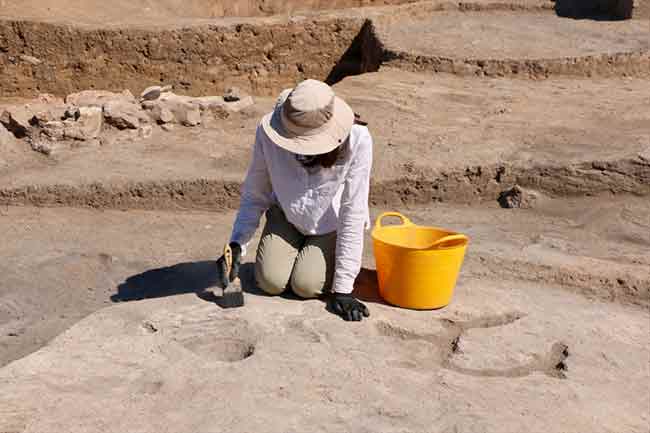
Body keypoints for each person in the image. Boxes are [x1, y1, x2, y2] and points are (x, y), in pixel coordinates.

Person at [217, 79, 373, 321]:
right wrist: (238, 244)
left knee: (306, 286)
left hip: (330, 225)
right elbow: (255, 192)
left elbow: (353, 211)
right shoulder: (268, 131)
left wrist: (343, 289)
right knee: (270, 282)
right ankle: (297, 252)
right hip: (286, 215)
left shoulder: (358, 138)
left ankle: (317, 257)